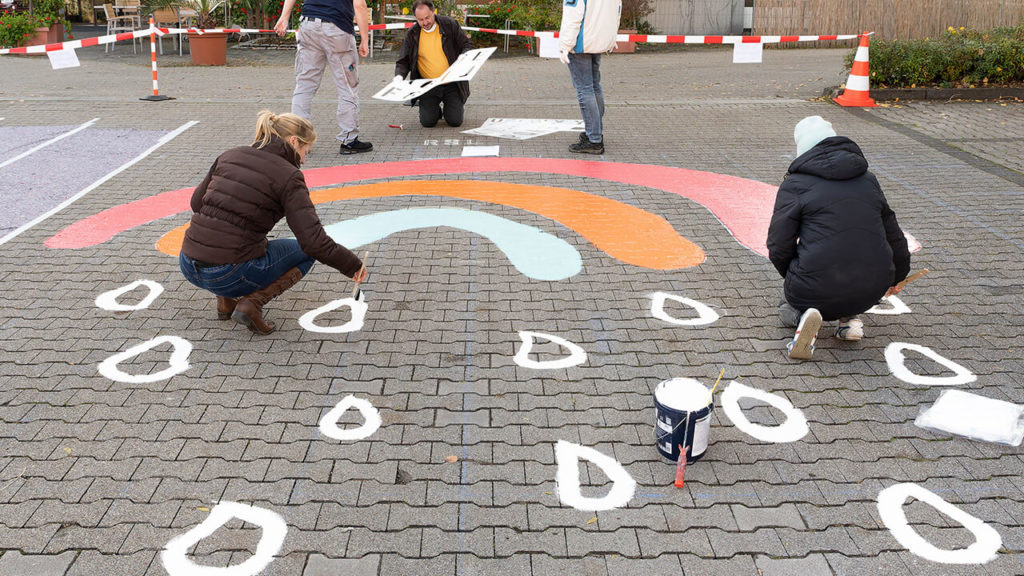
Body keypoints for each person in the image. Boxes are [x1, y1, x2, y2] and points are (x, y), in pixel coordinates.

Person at [179, 111, 368, 335]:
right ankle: (253, 304)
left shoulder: (230, 154)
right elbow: (313, 242)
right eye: (305, 151)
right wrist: (353, 265)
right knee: (306, 252)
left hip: (188, 264)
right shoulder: (289, 176)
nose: (305, 159)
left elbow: (196, 203)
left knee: (233, 238)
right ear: (293, 141)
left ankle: (226, 302)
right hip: (229, 272)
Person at [767, 116, 911, 360]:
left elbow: (779, 244)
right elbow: (893, 232)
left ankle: (804, 317)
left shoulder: (796, 184)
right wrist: (898, 276)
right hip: (871, 286)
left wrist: (791, 274)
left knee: (787, 306)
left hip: (814, 286)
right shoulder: (868, 179)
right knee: (851, 275)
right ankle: (849, 321)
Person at [274, 0, 372, 154]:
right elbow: (359, 5)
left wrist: (284, 17)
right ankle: (349, 140)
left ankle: (298, 140)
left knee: (304, 85)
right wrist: (365, 40)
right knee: (347, 85)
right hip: (337, 28)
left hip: (308, 25)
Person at [393, 0, 473, 128]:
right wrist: (398, 77)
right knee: (428, 122)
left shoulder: (449, 24)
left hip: (452, 82)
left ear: (433, 12)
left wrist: (465, 56)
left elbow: (466, 45)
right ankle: (434, 110)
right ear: (415, 18)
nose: (425, 23)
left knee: (455, 121)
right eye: (420, 20)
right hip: (428, 84)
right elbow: (404, 60)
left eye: (427, 17)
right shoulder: (412, 33)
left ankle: (451, 108)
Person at [558, 0, 621, 155]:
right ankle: (594, 132)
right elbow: (617, 11)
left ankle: (594, 139)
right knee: (594, 86)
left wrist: (565, 46)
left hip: (582, 42)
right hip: (599, 40)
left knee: (585, 89)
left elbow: (573, 16)